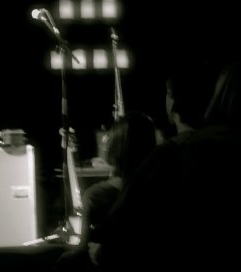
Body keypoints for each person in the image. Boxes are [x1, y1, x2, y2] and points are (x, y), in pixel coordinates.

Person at [93, 60, 240, 270]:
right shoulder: (230, 148)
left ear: (173, 101)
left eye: (168, 93)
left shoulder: (169, 157)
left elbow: (121, 233)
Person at [53, 112, 157, 272]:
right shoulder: (161, 184)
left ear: (118, 145)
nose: (105, 140)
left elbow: (78, 249)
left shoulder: (97, 196)